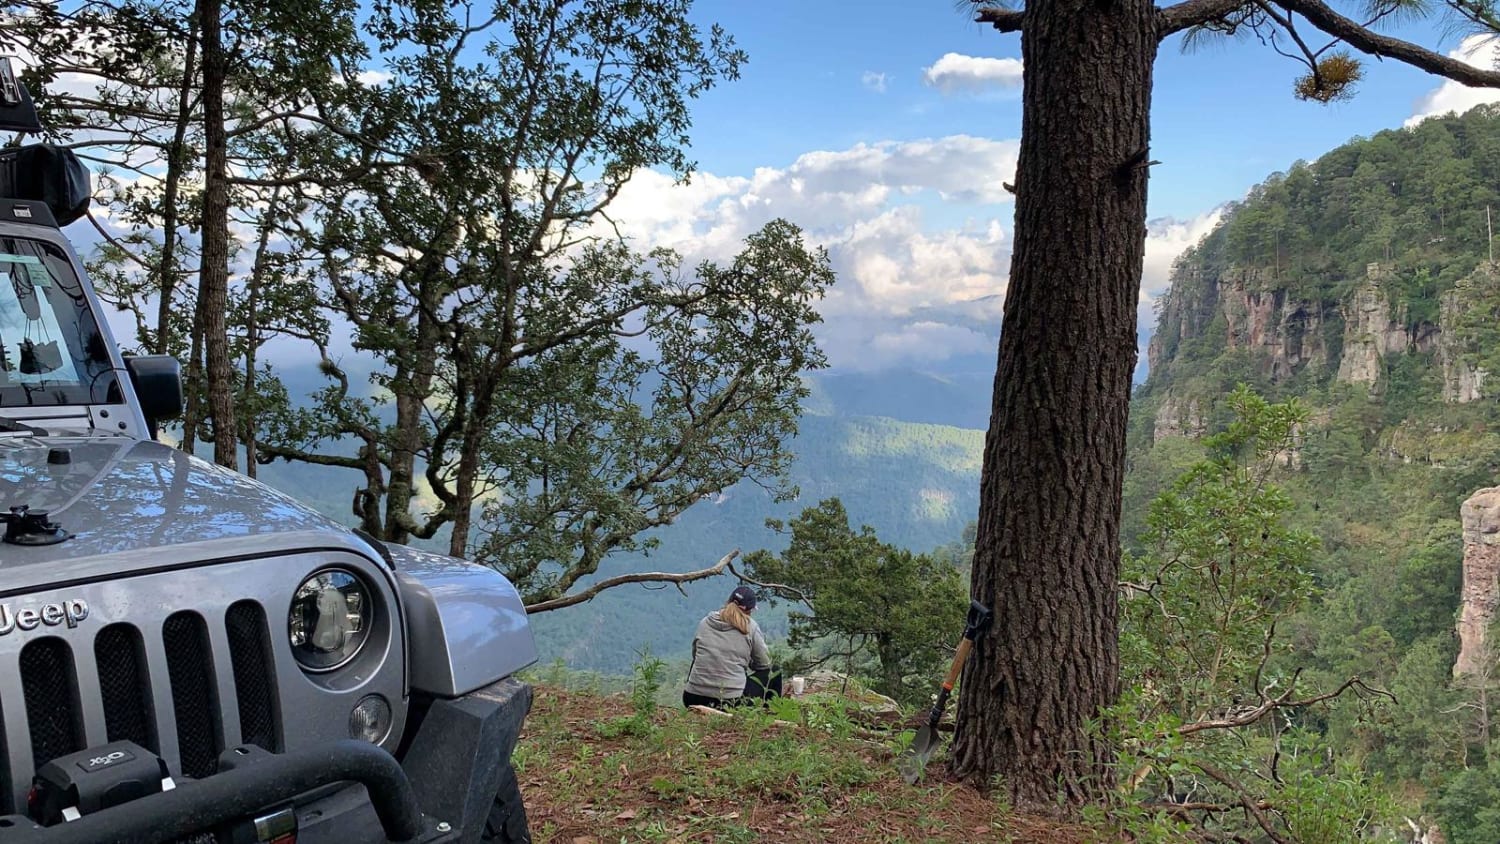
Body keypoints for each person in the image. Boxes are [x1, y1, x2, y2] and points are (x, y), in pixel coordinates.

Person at [682, 585, 781, 709]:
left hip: (692, 698)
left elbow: (695, 655)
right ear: (749, 610)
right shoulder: (750, 627)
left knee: (697, 661)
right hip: (730, 701)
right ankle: (770, 713)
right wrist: (747, 662)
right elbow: (765, 663)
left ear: (728, 602)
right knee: (774, 670)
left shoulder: (705, 622)